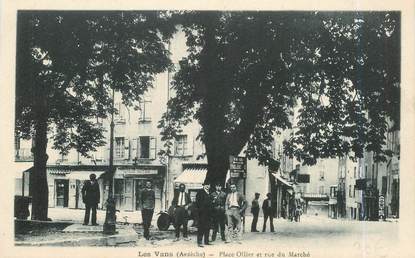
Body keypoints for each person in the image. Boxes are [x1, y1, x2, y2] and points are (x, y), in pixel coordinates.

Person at [195, 182, 213, 247]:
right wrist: (199, 212)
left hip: (209, 213)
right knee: (201, 227)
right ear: (203, 185)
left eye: (208, 185)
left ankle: (206, 241)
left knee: (207, 227)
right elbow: (197, 203)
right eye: (206, 185)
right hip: (202, 213)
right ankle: (199, 242)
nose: (207, 186)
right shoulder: (200, 192)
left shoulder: (210, 193)